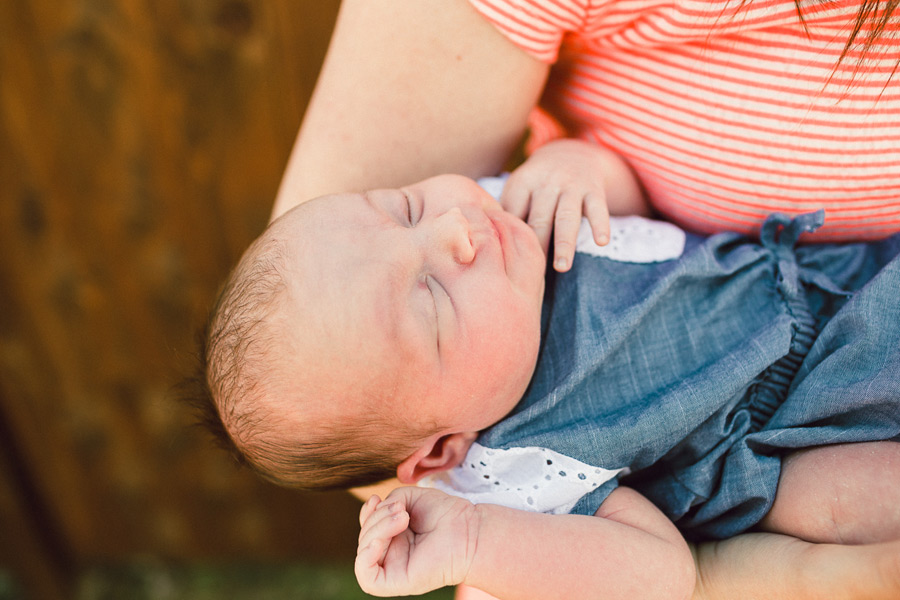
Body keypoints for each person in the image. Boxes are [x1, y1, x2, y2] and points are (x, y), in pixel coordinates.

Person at [248, 1, 900, 597]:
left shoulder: (519, 215)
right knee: (854, 507)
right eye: (432, 296)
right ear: (442, 449)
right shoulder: (514, 475)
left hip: (827, 295)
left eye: (407, 207)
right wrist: (479, 543)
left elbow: (641, 230)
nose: (453, 230)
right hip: (778, 457)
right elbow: (662, 570)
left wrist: (577, 166)